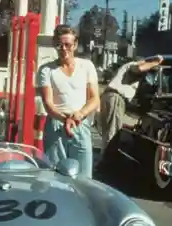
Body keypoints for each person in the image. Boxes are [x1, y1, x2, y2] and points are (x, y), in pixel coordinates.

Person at [37, 25, 100, 178]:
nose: (64, 49)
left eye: (68, 45)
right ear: (55, 45)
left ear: (75, 45)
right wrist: (65, 119)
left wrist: (79, 115)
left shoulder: (87, 66)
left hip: (81, 124)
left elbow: (94, 98)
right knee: (54, 176)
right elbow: (48, 103)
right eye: (60, 45)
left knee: (83, 177)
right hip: (56, 126)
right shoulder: (46, 70)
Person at [98, 55, 164, 152]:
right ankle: (109, 160)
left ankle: (105, 157)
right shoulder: (133, 65)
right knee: (113, 133)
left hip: (109, 97)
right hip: (115, 98)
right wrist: (155, 62)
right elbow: (140, 68)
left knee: (108, 131)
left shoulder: (128, 74)